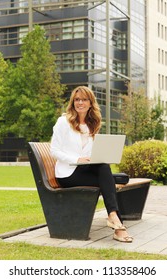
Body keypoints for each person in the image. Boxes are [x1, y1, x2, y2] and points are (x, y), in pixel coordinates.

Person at [50, 86, 133, 243]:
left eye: (84, 99)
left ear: (90, 103)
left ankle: (114, 218)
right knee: (108, 180)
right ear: (73, 102)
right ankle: (117, 224)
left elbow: (88, 153)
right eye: (77, 99)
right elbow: (54, 150)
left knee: (103, 167)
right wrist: (76, 159)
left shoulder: (91, 124)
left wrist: (96, 156)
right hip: (67, 174)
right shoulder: (63, 122)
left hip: (84, 170)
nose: (80, 103)